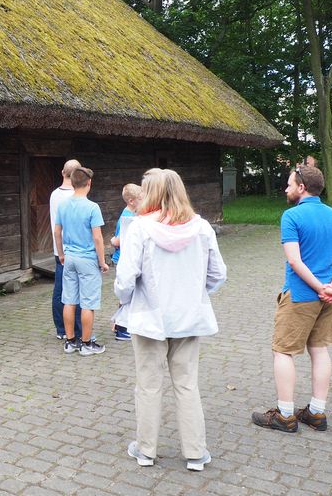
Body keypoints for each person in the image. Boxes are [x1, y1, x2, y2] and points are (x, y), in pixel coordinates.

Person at [115, 168, 226, 471]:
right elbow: (218, 275)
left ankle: (146, 451)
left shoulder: (138, 228)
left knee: (148, 385)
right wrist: (195, 294)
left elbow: (125, 279)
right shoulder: (202, 228)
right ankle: (195, 453)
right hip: (189, 318)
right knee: (187, 384)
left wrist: (125, 302)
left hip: (150, 318)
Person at [252, 165, 332, 433]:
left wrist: (320, 287)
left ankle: (285, 415)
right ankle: (316, 413)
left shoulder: (291, 216)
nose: (286, 189)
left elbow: (294, 260)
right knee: (319, 350)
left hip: (300, 296)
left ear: (302, 187)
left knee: (283, 351)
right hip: (329, 297)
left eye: (289, 184)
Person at [53, 167, 109, 356]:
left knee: (69, 300)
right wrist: (102, 262)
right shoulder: (92, 208)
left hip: (69, 258)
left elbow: (57, 232)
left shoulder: (63, 206)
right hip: (87, 259)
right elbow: (98, 238)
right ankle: (86, 344)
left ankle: (70, 342)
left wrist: (61, 254)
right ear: (89, 183)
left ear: (72, 182)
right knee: (88, 303)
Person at [49, 159, 83, 341]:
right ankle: (75, 330)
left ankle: (61, 328)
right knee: (73, 292)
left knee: (59, 289)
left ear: (62, 172)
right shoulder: (75, 197)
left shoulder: (54, 194)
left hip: (58, 248)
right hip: (72, 249)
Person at [110, 183, 141, 341]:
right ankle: (122, 328)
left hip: (124, 259)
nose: (142, 201)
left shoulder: (131, 214)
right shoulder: (128, 218)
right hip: (123, 259)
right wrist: (113, 240)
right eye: (140, 199)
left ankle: (120, 324)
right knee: (126, 294)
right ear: (131, 201)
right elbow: (119, 241)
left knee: (126, 293)